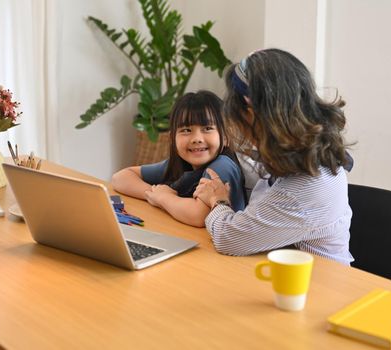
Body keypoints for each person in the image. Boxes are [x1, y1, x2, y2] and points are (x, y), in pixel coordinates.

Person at [193, 49, 354, 265]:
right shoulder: (304, 153)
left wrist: (218, 200)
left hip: (314, 289)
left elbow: (227, 238)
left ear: (250, 114)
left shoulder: (304, 189)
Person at [112, 90, 246, 228]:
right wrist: (152, 194)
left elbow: (198, 215)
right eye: (186, 130)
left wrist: (163, 198)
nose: (197, 139)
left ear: (225, 137)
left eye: (207, 128)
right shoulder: (181, 164)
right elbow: (120, 177)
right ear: (172, 138)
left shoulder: (222, 166)